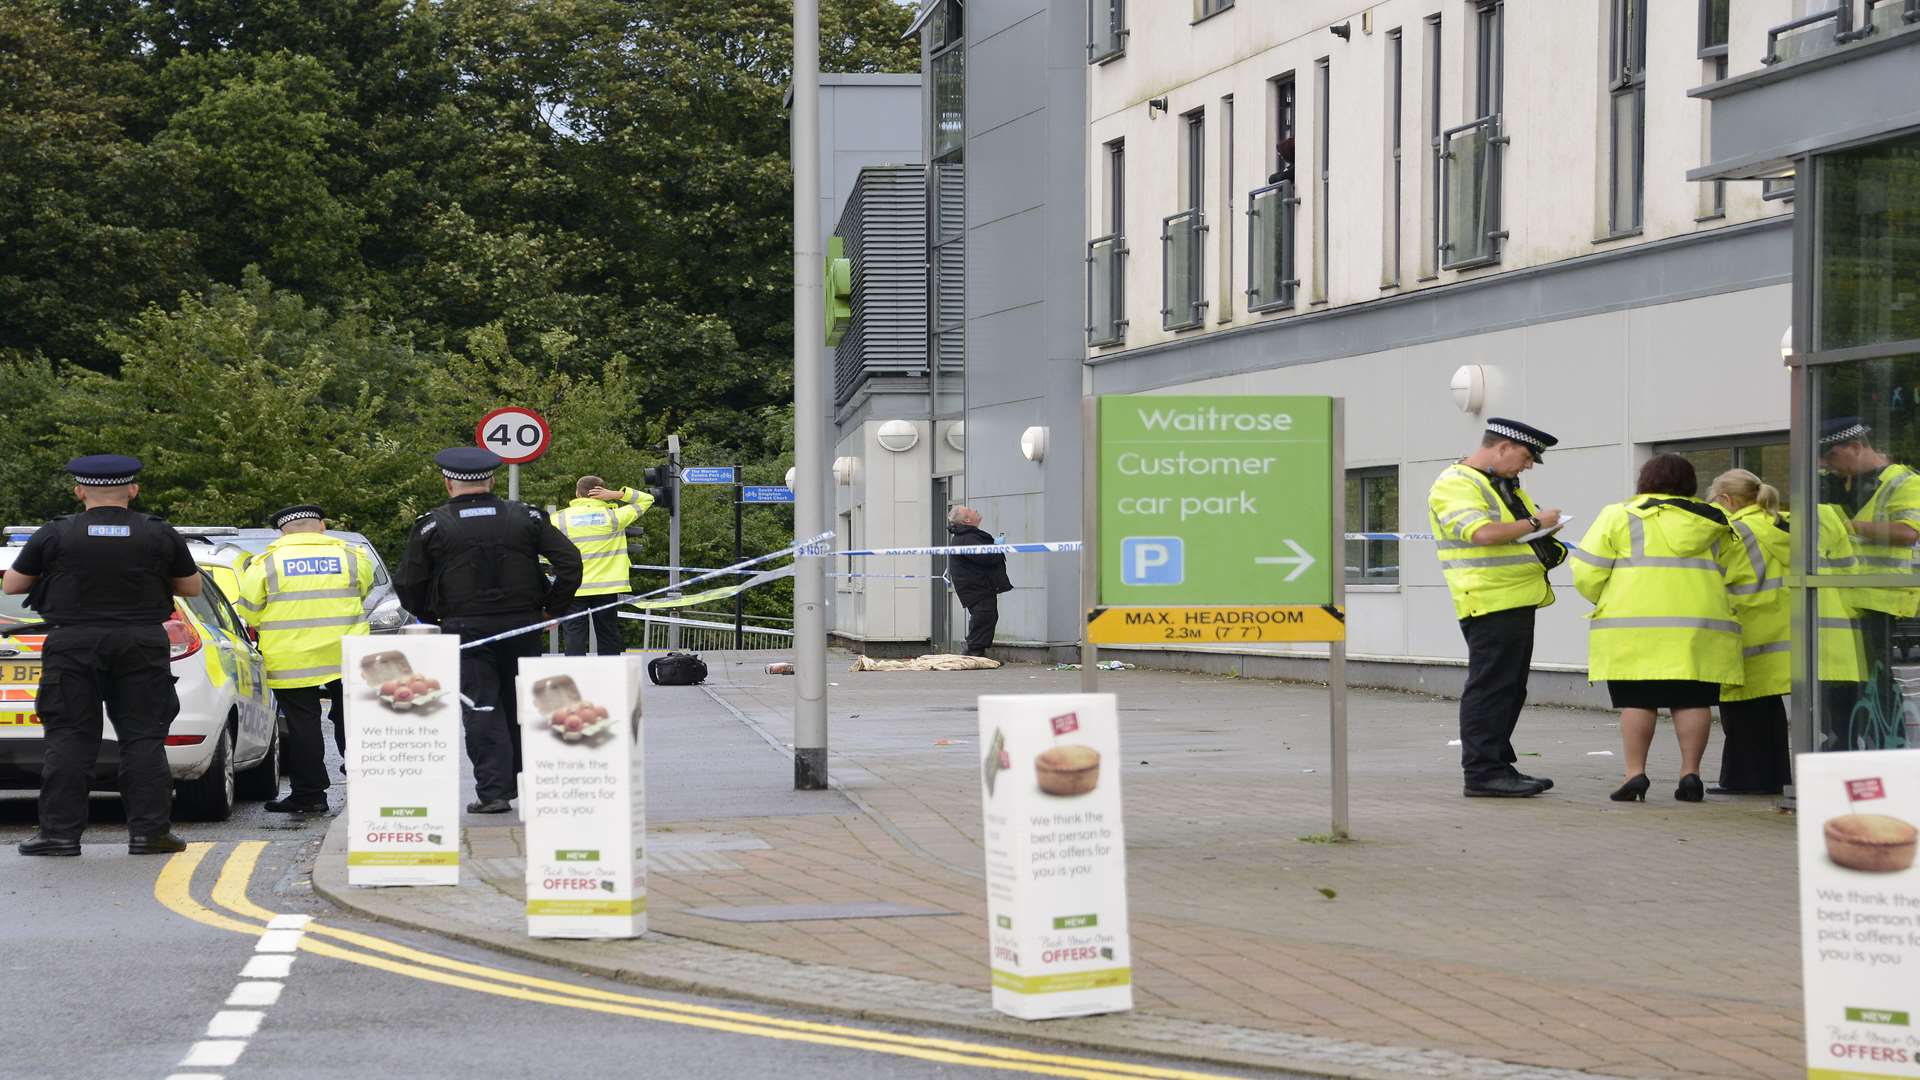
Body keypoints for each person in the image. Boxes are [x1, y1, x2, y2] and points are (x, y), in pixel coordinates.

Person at [2, 455, 199, 856]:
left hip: (73, 643)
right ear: (132, 490)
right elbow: (191, 588)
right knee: (143, 738)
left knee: (70, 738)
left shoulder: (55, 534)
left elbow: (13, 586)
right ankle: (149, 834)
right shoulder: (157, 534)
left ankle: (59, 835)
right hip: (141, 643)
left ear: (79, 491)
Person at [395, 448, 582, 814]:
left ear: (448, 483)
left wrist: (432, 618)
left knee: (482, 705)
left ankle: (495, 793)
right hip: (523, 624)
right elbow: (570, 562)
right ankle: (530, 783)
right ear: (492, 480)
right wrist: (551, 608)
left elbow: (409, 583)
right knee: (523, 704)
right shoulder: (525, 517)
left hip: (467, 630)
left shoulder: (432, 525)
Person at [1571, 454, 1743, 803]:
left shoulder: (1619, 515)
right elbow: (1733, 571)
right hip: (1699, 626)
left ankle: (1635, 774)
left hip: (1635, 627)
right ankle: (1690, 774)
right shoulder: (1716, 519)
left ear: (1644, 481)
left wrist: (1604, 598)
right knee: (1693, 700)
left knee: (1638, 701)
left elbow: (1587, 571)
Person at [1426, 418, 1566, 798]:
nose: (1528, 465)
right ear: (1502, 447)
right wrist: (1535, 521)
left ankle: (1499, 766)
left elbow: (1513, 532)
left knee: (1508, 689)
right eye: (1525, 456)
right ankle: (1484, 773)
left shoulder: (1499, 484)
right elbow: (1482, 533)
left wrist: (1539, 529)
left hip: (1514, 598)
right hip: (1488, 600)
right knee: (1491, 689)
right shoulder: (1457, 483)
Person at [235, 504, 375, 813]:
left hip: (291, 656)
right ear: (322, 526)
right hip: (345, 651)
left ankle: (310, 794)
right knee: (353, 718)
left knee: (302, 725)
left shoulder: (265, 563)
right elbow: (363, 591)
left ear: (282, 532)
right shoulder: (353, 557)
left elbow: (248, 610)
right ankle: (367, 782)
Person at [1818, 417, 1919, 748]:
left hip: (1886, 598)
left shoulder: (1904, 482)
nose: (1828, 466)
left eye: (1831, 456)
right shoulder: (1845, 484)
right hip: (1849, 599)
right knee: (1844, 680)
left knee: (1878, 680)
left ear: (1855, 447)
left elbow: (1908, 532)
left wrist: (1846, 526)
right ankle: (1843, 745)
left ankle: (1889, 747)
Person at [1706, 469, 1791, 795]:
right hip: (1783, 632)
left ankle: (1744, 780)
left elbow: (1719, 579)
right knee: (1769, 711)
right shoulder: (1782, 523)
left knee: (1740, 711)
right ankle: (1775, 777)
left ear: (1726, 499)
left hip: (1746, 631)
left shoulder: (1736, 531)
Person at [550, 475, 654, 656]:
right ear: (602, 493)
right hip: (607, 586)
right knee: (608, 633)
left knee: (574, 633)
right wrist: (617, 494)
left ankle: (576, 676)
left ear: (577, 493)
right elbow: (648, 499)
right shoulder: (614, 517)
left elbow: (543, 549)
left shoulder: (558, 519)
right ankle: (611, 675)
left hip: (573, 586)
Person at [946, 506, 1011, 658]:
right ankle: (973, 651)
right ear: (967, 520)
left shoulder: (968, 536)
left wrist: (994, 547)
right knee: (984, 616)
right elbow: (986, 558)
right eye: (970, 510)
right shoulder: (967, 538)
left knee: (986, 616)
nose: (974, 510)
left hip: (978, 586)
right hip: (976, 587)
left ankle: (976, 651)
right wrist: (997, 548)